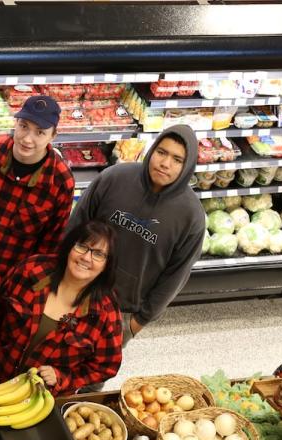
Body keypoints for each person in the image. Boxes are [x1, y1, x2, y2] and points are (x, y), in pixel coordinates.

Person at [0, 94, 75, 404]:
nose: (28, 138)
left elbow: (50, 242)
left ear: (53, 136)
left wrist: (33, 286)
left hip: (11, 273)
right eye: (23, 126)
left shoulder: (60, 182)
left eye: (39, 132)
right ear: (15, 122)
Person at [67, 124, 205, 351]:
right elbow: (76, 224)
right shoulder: (114, 178)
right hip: (78, 290)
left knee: (93, 375)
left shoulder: (191, 217)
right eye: (161, 152)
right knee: (48, 362)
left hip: (122, 311)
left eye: (177, 159)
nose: (165, 163)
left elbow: (175, 277)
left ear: (187, 166)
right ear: (151, 151)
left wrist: (136, 323)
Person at [0, 220, 123, 397]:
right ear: (69, 246)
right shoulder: (31, 270)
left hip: (43, 399)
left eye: (98, 254)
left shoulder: (105, 313)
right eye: (82, 246)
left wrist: (63, 378)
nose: (86, 258)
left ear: (107, 265)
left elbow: (107, 365)